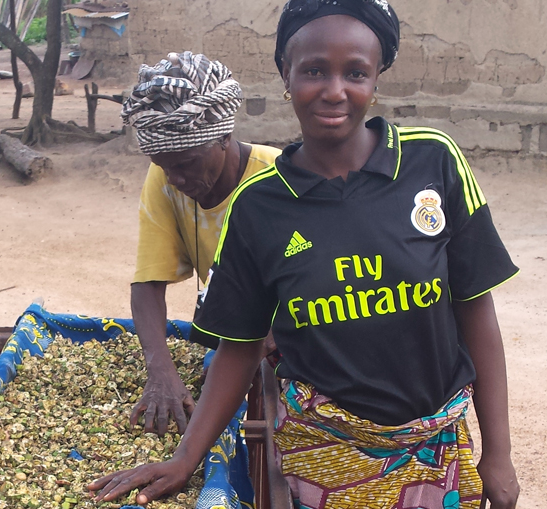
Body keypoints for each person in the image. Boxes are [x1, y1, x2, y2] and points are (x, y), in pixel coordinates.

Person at [89, 1, 521, 508]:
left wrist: (499, 452)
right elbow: (241, 347)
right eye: (314, 70)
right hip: (323, 455)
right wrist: (185, 459)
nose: (334, 90)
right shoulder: (258, 207)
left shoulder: (433, 161)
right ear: (285, 76)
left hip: (436, 450)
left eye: (355, 72)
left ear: (376, 77)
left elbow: (476, 311)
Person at [121, 51, 281, 437]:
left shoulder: (278, 179)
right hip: (235, 334)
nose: (175, 179)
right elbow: (147, 285)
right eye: (164, 166)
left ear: (224, 137)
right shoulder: (165, 180)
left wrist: (258, 349)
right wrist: (160, 372)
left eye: (187, 164)